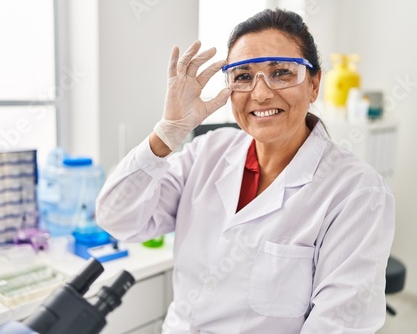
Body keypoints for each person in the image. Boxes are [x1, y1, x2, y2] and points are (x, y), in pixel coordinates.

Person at [96, 8, 395, 333]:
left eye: (281, 72)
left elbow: (337, 326)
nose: (261, 92)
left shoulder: (356, 191)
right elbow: (118, 219)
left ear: (314, 83)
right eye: (243, 76)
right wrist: (167, 133)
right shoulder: (207, 153)